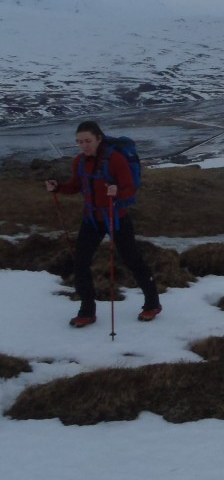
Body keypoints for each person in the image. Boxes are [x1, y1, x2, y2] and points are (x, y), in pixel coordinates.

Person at [45, 121, 161, 327]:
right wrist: (58, 188)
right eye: (79, 141)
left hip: (116, 218)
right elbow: (76, 186)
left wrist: (117, 193)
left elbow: (130, 189)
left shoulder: (115, 159)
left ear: (99, 139)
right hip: (91, 219)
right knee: (80, 263)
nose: (83, 145)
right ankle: (86, 312)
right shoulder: (79, 161)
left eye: (87, 141)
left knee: (132, 261)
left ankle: (152, 304)